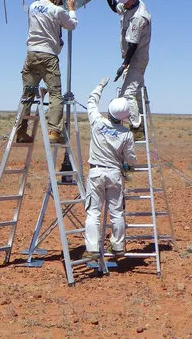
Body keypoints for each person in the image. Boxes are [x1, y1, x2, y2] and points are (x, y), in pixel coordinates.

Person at [16, 0, 77, 144]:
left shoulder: (33, 7)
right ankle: (54, 131)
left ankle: (21, 130)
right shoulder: (58, 11)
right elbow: (72, 25)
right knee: (55, 93)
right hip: (48, 56)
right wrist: (71, 9)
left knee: (27, 94)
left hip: (31, 55)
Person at [83, 77, 136, 258]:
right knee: (117, 212)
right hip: (114, 174)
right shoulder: (127, 134)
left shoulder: (97, 122)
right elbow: (130, 159)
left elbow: (91, 101)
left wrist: (100, 86)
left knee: (93, 212)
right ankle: (118, 246)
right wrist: (128, 166)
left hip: (96, 172)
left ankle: (92, 249)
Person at [99, 0, 151, 141]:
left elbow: (133, 45)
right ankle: (140, 125)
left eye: (126, 2)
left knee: (126, 95)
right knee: (136, 94)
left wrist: (124, 65)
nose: (124, 5)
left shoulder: (139, 17)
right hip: (130, 58)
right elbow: (116, 7)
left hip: (136, 59)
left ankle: (137, 128)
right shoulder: (129, 5)